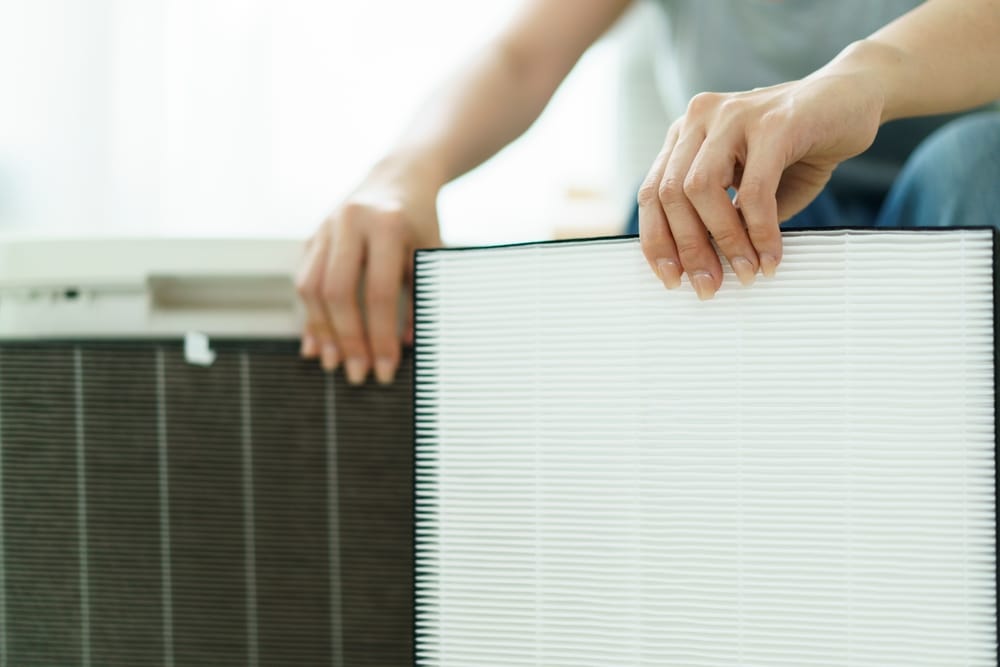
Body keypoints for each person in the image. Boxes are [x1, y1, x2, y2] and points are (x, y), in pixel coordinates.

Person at [296, 0, 1000, 385]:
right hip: (769, 209)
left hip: (964, 210)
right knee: (680, 205)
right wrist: (403, 173)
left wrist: (862, 80)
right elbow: (519, 58)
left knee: (977, 160)